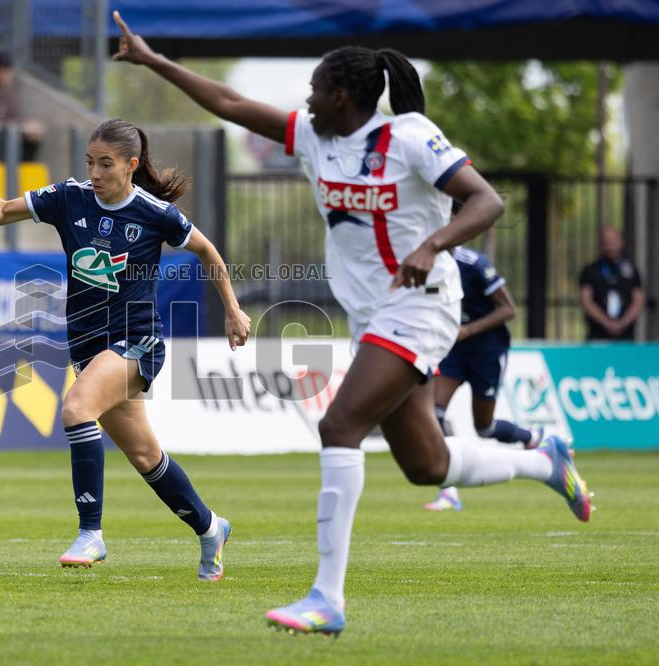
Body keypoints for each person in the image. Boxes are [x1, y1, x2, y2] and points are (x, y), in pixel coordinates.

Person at [111, 11, 593, 636]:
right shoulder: (315, 139)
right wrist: (153, 60)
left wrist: (433, 245)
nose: (306, 100)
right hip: (375, 316)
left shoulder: (410, 135)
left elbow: (487, 200)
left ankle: (327, 598)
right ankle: (545, 461)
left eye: (315, 90)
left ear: (342, 96)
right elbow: (230, 103)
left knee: (339, 424)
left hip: (422, 308)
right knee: (427, 464)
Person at [0, 118, 250, 580]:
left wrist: (233, 311)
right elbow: (2, 214)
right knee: (146, 458)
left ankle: (90, 532)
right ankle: (211, 528)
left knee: (77, 408)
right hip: (88, 346)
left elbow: (207, 250)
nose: (94, 173)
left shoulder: (155, 213)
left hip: (137, 341)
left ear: (131, 165)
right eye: (90, 162)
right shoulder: (69, 197)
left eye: (105, 164)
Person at [424, 246, 543, 512]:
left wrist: (469, 330)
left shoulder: (474, 264)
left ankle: (532, 437)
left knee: (484, 428)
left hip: (487, 349)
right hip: (454, 349)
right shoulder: (429, 263)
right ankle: (449, 492)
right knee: (435, 412)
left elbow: (508, 309)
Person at [579, 226, 645, 341]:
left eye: (614, 240)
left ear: (622, 242)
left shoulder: (631, 270)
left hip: (626, 336)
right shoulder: (590, 270)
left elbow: (638, 300)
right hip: (597, 334)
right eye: (607, 241)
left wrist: (622, 323)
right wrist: (607, 323)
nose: (611, 245)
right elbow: (586, 300)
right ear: (600, 244)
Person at [0, 51, 43, 161]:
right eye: (1, 70)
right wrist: (20, 124)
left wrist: (27, 125)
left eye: (7, 71)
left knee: (33, 133)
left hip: (8, 128)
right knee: (10, 135)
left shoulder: (12, 87)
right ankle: (10, 170)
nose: (4, 75)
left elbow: (15, 114)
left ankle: (22, 170)